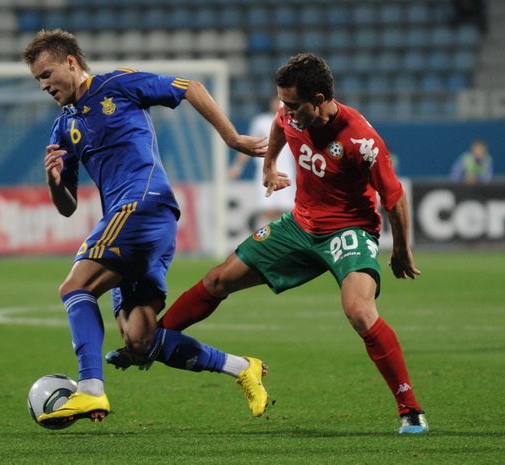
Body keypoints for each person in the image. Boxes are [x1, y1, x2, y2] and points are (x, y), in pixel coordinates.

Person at [108, 53, 429, 434]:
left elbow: (395, 199)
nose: (285, 111)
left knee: (359, 311)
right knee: (218, 279)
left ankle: (410, 409)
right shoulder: (291, 115)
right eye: (282, 102)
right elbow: (279, 126)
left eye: (293, 105)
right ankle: (150, 344)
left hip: (349, 231)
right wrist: (269, 165)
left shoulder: (361, 140)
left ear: (319, 99)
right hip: (299, 225)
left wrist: (401, 249)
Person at [22, 29, 271, 429]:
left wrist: (234, 139)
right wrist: (54, 181)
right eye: (38, 79)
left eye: (46, 74)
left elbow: (190, 87)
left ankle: (90, 387)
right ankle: (243, 367)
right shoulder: (62, 129)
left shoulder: (118, 84)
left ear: (70, 62)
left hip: (143, 204)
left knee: (75, 287)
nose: (43, 85)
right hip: (139, 220)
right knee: (140, 340)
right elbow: (67, 207)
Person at [230, 96, 296, 225]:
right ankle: (273, 234)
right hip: (265, 170)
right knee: (266, 208)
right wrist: (237, 166)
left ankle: (282, 235)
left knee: (287, 208)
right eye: (277, 101)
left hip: (287, 170)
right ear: (271, 102)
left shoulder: (293, 121)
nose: (279, 104)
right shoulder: (261, 121)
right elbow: (251, 145)